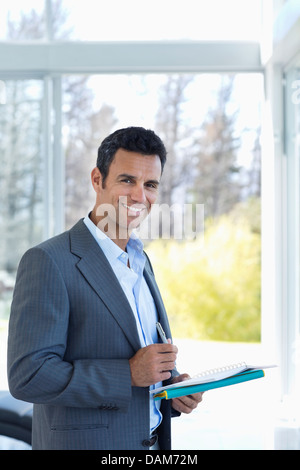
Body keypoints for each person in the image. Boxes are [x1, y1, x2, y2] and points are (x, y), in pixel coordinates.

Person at [7, 126, 202, 450]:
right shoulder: (49, 261)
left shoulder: (142, 260)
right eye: (127, 180)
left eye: (150, 184)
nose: (140, 196)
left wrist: (171, 388)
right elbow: (29, 376)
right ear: (98, 179)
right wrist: (127, 374)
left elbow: (141, 359)